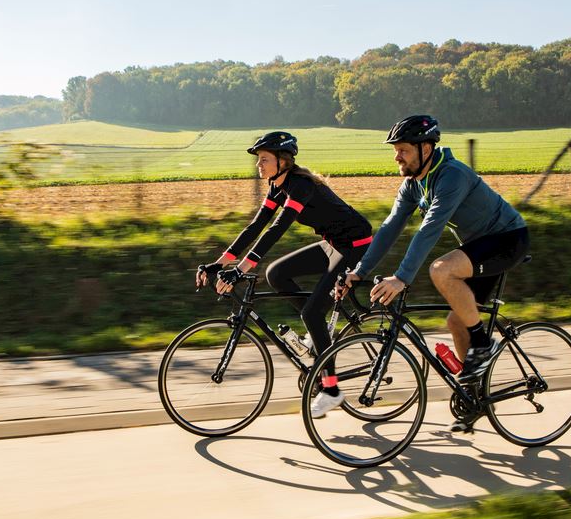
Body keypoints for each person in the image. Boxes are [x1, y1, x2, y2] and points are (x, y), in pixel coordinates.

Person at [337, 114, 529, 432]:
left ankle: (483, 347)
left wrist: (402, 277)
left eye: (404, 150)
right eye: (395, 150)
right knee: (457, 321)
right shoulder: (414, 183)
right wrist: (360, 270)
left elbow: (430, 229)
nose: (397, 156)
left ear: (426, 148)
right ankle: (473, 398)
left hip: (508, 239)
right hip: (479, 247)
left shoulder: (451, 175)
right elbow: (389, 228)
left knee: (441, 270)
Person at [196, 131, 372, 418]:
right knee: (276, 273)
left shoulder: (300, 185)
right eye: (259, 160)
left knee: (312, 314)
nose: (259, 165)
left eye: (264, 159)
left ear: (283, 161)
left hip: (355, 246)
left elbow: (277, 229)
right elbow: (255, 228)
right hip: (332, 243)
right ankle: (318, 336)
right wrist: (219, 263)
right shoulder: (277, 187)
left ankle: (331, 390)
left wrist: (241, 270)